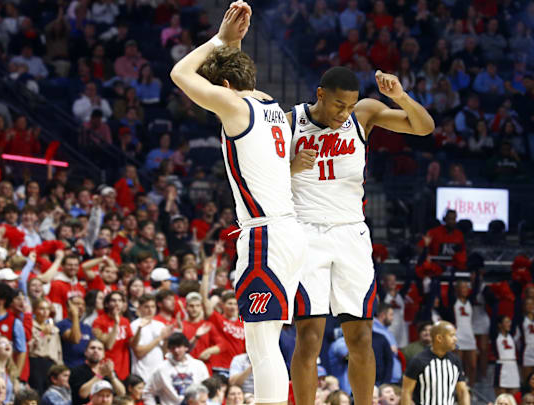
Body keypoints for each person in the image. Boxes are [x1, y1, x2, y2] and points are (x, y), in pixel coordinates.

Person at [170, 3, 307, 404]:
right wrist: (235, 46)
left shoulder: (235, 105)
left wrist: (220, 39)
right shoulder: (271, 106)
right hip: (288, 232)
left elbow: (179, 74)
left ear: (224, 88)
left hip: (266, 236)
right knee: (268, 341)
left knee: (261, 345)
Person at [288, 62, 434, 405]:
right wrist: (291, 166)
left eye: (350, 106)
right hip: (306, 232)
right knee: (309, 337)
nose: (345, 113)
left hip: (351, 233)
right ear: (320, 95)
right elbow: (258, 174)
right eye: (339, 105)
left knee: (361, 337)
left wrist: (401, 96)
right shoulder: (290, 121)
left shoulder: (362, 115)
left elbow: (423, 127)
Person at [399, 321, 470, 405]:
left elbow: (462, 392)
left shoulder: (455, 361)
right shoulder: (418, 361)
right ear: (439, 338)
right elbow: (406, 392)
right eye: (451, 335)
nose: (455, 339)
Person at [142, 333, 210, 405]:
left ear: (186, 347)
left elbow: (206, 391)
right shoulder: (161, 368)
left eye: (179, 346)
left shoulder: (199, 365)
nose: (176, 350)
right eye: (173, 348)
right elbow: (148, 392)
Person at [129, 294, 172, 382]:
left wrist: (166, 339)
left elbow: (164, 353)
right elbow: (139, 352)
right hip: (142, 375)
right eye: (146, 307)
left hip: (158, 374)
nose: (150, 310)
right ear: (140, 308)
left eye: (153, 306)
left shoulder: (160, 325)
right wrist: (159, 338)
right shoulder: (135, 325)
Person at [69, 339, 126, 405]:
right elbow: (83, 394)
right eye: (92, 348)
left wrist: (112, 376)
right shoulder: (77, 371)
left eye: (100, 349)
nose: (96, 351)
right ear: (85, 352)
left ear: (104, 354)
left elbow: (122, 393)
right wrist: (100, 375)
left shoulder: (107, 370)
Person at [493, 316, 520, 396]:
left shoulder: (512, 336)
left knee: (514, 398)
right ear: (500, 325)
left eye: (510, 322)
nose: (509, 324)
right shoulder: (495, 336)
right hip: (502, 365)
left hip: (513, 366)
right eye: (506, 322)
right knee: (501, 398)